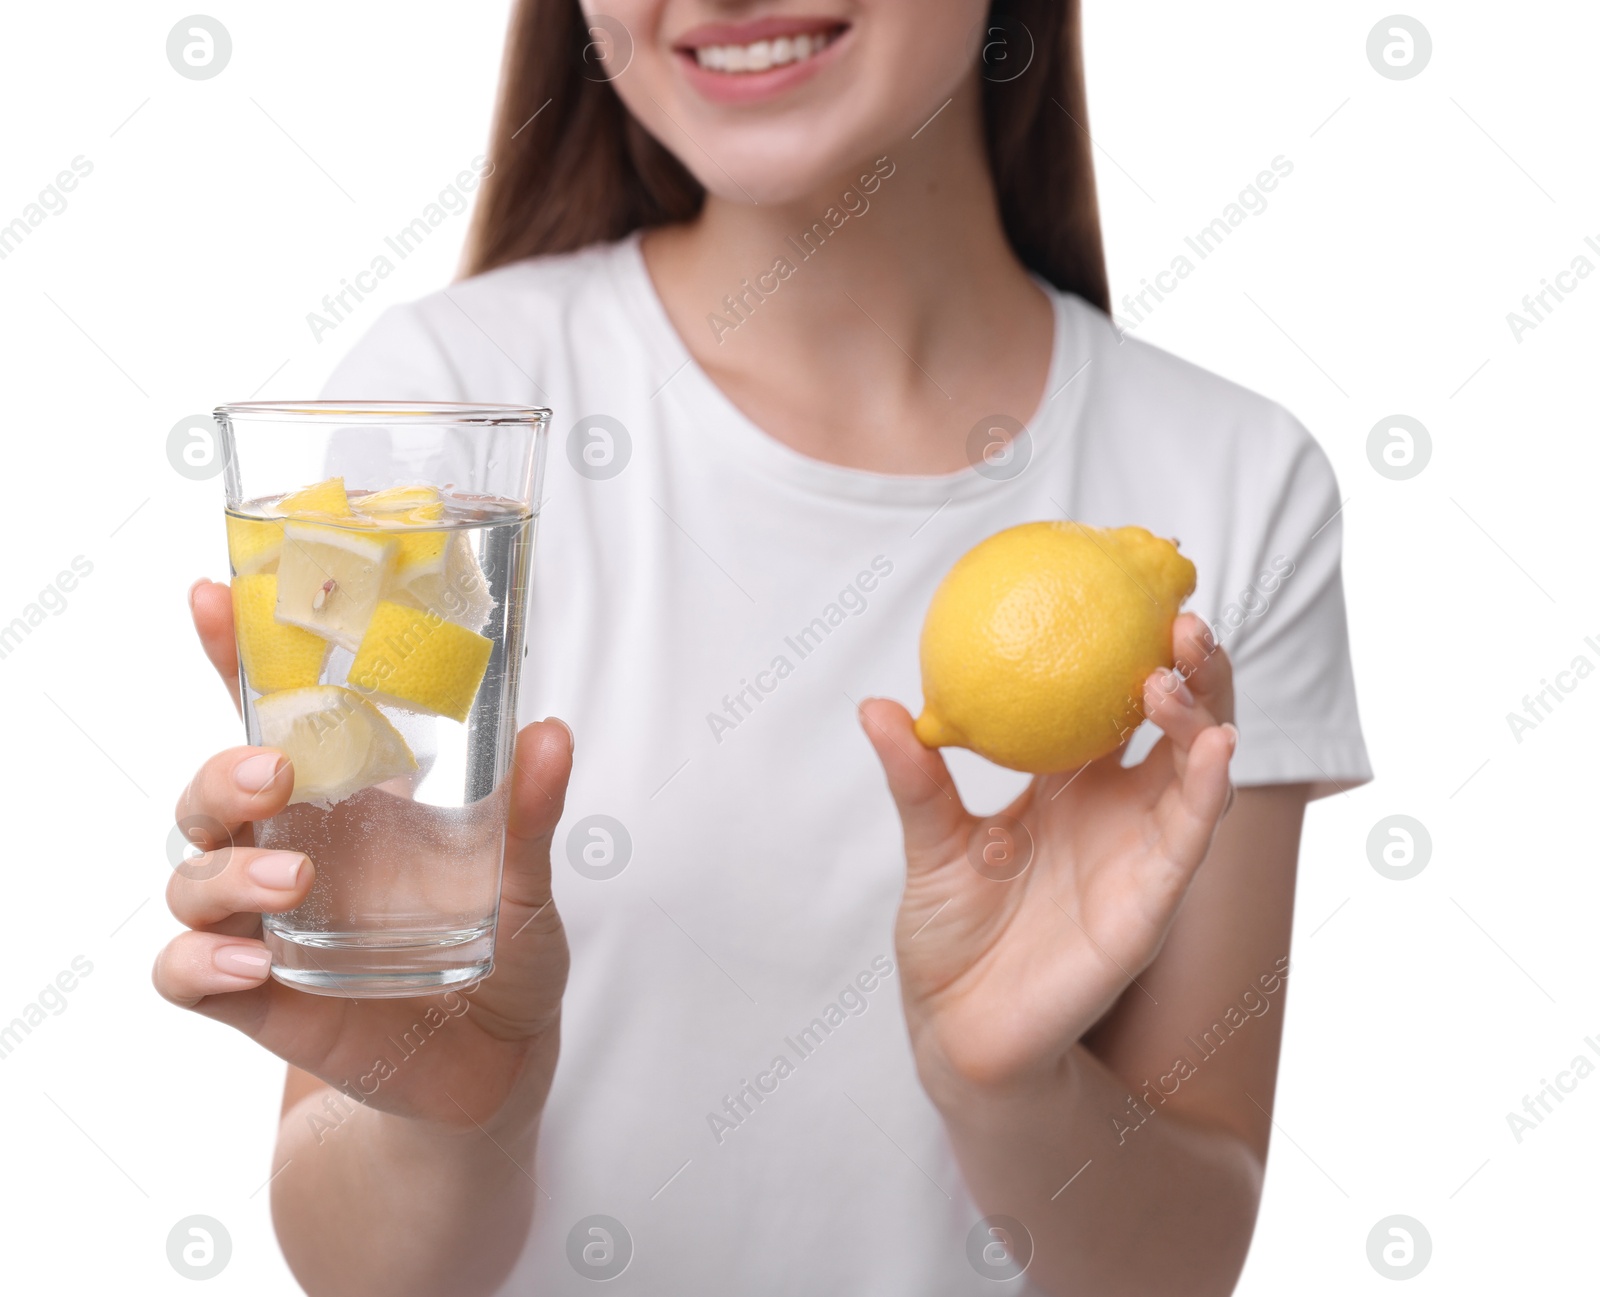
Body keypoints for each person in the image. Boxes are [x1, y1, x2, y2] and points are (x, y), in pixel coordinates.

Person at [156, 2, 1370, 1293]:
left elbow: (1175, 1270)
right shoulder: (450, 425)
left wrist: (1005, 1084)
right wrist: (456, 1103)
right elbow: (368, 1274)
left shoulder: (1233, 483)